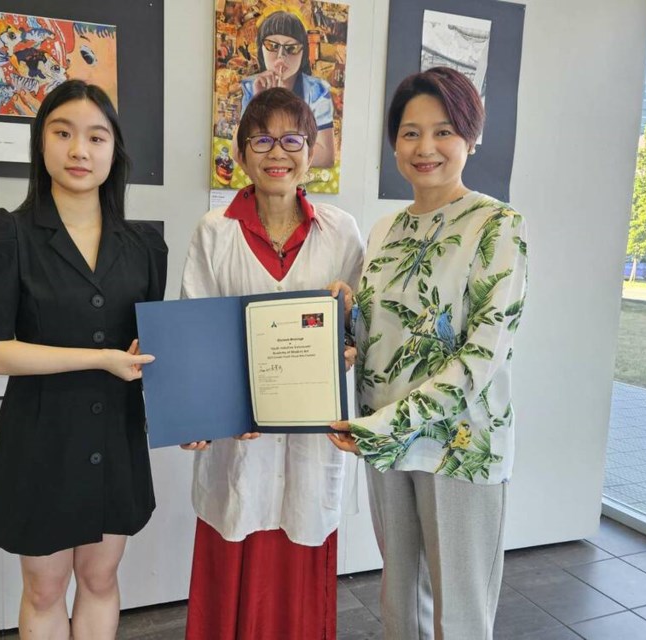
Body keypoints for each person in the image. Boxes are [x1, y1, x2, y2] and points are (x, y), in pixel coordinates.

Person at [328, 67, 529, 640]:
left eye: (443, 131)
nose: (425, 148)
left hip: (461, 443)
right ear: (395, 142)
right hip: (386, 439)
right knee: (399, 600)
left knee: (460, 613)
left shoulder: (498, 226)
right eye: (410, 132)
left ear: (471, 136)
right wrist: (345, 319)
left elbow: (481, 357)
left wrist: (386, 425)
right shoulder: (386, 229)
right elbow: (382, 339)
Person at [0, 79, 167, 640]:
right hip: (42, 434)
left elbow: (149, 345)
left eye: (96, 137)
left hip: (117, 431)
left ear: (114, 150)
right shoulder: (5, 234)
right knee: (45, 588)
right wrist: (100, 358)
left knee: (100, 580)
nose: (80, 150)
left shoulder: (145, 245)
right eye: (64, 133)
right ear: (41, 143)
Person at [180, 87, 364, 639]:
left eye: (292, 139)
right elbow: (196, 335)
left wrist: (350, 334)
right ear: (241, 154)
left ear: (312, 152)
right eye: (261, 139)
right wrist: (203, 415)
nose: (277, 152)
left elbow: (359, 335)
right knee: (233, 553)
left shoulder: (342, 232)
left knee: (299, 576)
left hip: (311, 444)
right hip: (239, 447)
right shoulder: (215, 231)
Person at [241, 10, 335, 167]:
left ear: (303, 53)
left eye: (291, 49)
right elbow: (241, 151)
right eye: (272, 46)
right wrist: (259, 101)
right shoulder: (251, 87)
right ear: (260, 48)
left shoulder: (317, 90)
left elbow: (326, 156)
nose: (281, 56)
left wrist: (268, 153)